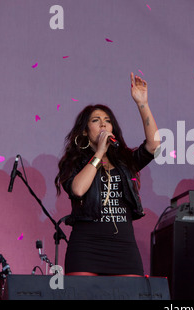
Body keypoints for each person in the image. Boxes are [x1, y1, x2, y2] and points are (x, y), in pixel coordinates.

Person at [54, 72, 160, 276]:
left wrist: (142, 103)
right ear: (85, 131)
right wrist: (100, 153)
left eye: (107, 121)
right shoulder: (74, 162)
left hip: (123, 247)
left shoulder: (125, 160)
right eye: (96, 120)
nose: (103, 124)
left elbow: (154, 147)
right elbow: (78, 189)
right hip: (86, 247)